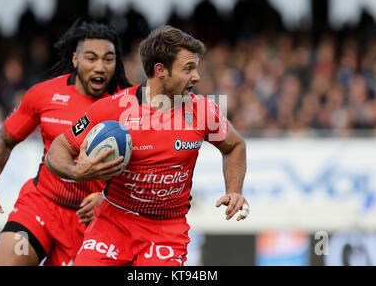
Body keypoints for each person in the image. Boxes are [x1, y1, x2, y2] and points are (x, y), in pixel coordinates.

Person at [45, 25, 249, 266]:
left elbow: (235, 146)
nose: (196, 76)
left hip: (166, 233)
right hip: (113, 224)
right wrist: (75, 171)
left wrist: (234, 190)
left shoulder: (203, 111)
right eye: (188, 69)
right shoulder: (112, 109)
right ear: (160, 70)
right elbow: (60, 147)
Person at [0, 19, 132, 266]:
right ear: (76, 59)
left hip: (95, 221)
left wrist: (108, 199)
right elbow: (5, 139)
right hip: (42, 206)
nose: (100, 66)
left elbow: (146, 169)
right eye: (91, 58)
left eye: (108, 59)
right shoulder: (44, 94)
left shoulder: (130, 105)